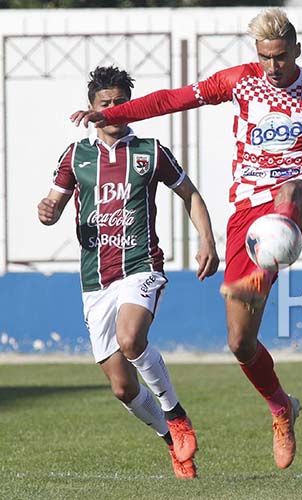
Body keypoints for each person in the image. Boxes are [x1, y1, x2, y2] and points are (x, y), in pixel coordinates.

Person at [70, 8, 302, 470]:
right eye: (264, 57)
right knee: (240, 343)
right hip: (248, 215)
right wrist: (111, 114)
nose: (272, 67)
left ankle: (272, 254)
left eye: (280, 57)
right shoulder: (238, 81)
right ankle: (282, 408)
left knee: (290, 192)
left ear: (296, 51)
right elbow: (171, 100)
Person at [41, 66, 219, 479]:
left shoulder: (150, 151)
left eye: (122, 103)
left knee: (131, 336)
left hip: (141, 265)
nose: (115, 110)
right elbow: (52, 207)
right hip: (95, 279)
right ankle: (170, 441)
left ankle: (176, 414)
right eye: (106, 104)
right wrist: (47, 211)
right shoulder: (75, 156)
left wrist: (207, 241)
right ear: (91, 109)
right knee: (122, 387)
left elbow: (190, 194)